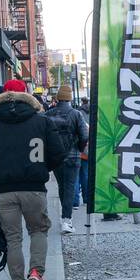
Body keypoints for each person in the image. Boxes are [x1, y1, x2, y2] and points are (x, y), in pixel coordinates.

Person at [0, 78, 67, 280]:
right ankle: (36, 272)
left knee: (12, 238)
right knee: (38, 231)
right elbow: (59, 153)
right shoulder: (40, 121)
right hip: (34, 188)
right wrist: (42, 167)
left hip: (4, 191)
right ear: (27, 95)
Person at [44, 86, 89, 233]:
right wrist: (79, 149)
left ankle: (65, 216)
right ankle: (66, 220)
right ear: (70, 98)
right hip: (73, 156)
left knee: (62, 186)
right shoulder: (76, 114)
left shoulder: (48, 114)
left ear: (57, 97)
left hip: (55, 158)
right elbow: (84, 136)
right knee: (70, 186)